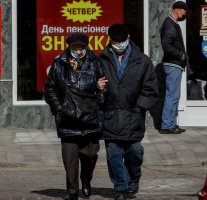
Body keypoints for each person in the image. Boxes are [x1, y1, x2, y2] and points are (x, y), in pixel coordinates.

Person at [97, 23, 158, 200]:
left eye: (123, 40)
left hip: (133, 115)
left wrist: (139, 107)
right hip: (111, 115)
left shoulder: (142, 60)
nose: (120, 44)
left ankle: (133, 178)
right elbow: (93, 83)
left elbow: (151, 89)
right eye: (116, 41)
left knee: (134, 151)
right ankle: (120, 188)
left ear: (128, 38)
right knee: (114, 153)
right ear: (110, 40)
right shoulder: (101, 59)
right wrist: (96, 87)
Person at [44, 32, 106, 200]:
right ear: (69, 47)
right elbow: (50, 89)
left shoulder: (95, 61)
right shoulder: (59, 63)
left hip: (90, 116)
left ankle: (86, 179)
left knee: (90, 154)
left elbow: (104, 85)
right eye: (75, 47)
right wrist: (59, 109)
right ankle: (72, 191)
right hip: (68, 118)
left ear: (87, 47)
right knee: (70, 159)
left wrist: (98, 100)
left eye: (81, 47)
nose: (78, 50)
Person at [159, 1, 191, 134]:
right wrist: (181, 55)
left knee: (174, 95)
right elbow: (166, 45)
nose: (185, 14)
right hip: (173, 64)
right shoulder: (170, 25)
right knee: (172, 95)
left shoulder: (171, 23)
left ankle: (171, 123)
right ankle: (167, 125)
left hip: (174, 64)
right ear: (178, 10)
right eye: (184, 12)